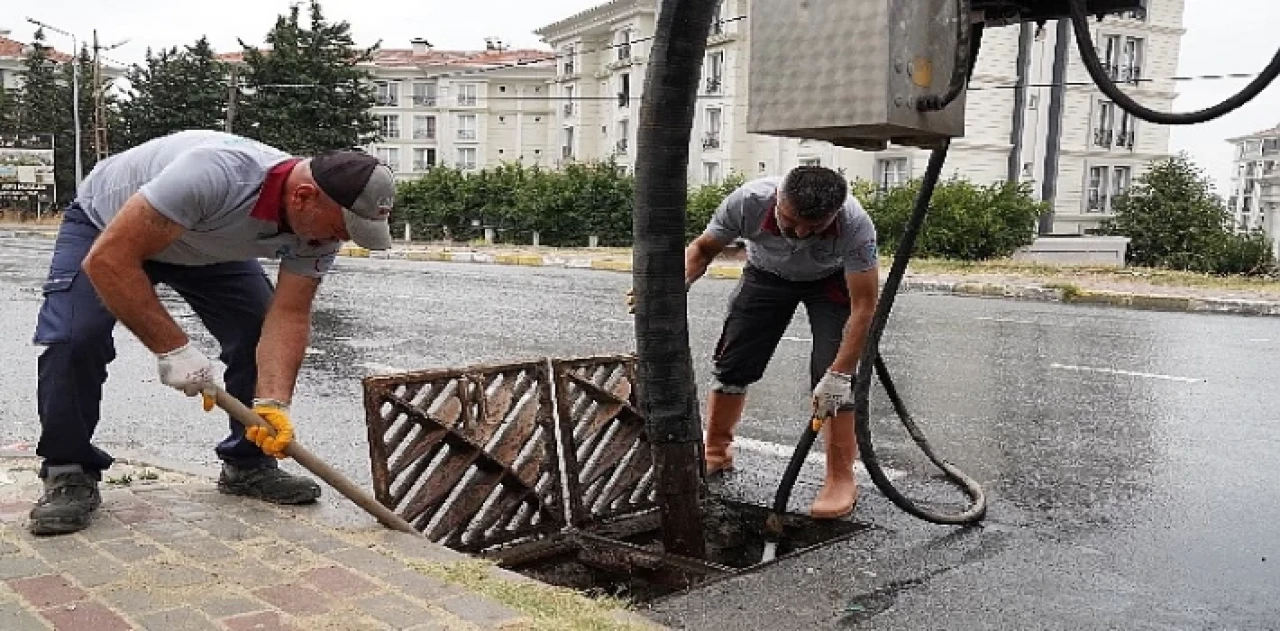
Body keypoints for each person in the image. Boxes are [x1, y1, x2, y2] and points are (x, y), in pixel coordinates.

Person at [28, 129, 396, 536]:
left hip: (207, 248)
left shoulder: (320, 224)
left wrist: (274, 403)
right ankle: (68, 469)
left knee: (255, 331)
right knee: (74, 338)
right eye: (338, 230)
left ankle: (249, 463)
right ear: (303, 196)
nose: (336, 242)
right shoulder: (214, 175)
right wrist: (174, 350)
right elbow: (109, 261)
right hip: (109, 229)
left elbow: (288, 316)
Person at [685, 165, 879, 519]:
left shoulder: (855, 225)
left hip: (830, 281)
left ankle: (839, 478)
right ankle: (715, 452)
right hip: (766, 275)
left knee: (833, 375)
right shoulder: (747, 202)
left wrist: (840, 374)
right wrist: (669, 290)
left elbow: (864, 308)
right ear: (778, 199)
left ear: (834, 214)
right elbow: (702, 249)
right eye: (791, 222)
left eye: (815, 227)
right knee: (734, 361)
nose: (801, 233)